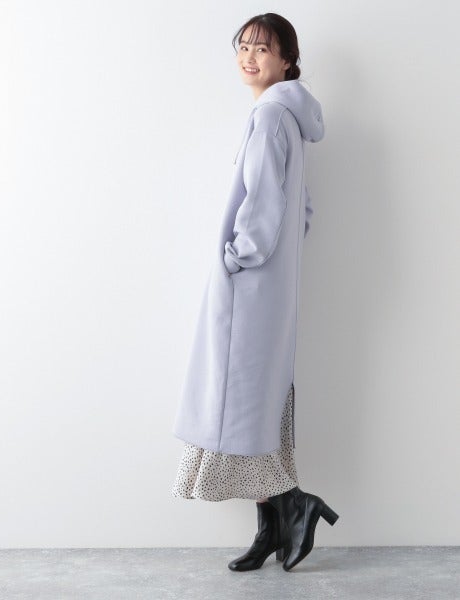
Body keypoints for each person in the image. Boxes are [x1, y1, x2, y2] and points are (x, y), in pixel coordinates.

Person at [171, 13, 339, 572]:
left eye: (262, 49)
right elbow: (302, 210)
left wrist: (236, 258)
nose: (248, 57)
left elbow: (264, 209)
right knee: (256, 406)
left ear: (288, 60)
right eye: (242, 46)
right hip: (273, 288)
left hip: (250, 288)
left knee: (238, 406)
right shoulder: (287, 117)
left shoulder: (269, 117)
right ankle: (271, 529)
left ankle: (296, 504)